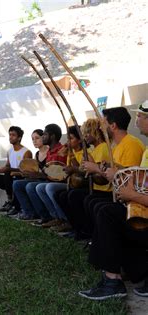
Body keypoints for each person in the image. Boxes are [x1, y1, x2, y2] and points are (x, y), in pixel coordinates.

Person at [79, 100, 148, 300]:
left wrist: (131, 195)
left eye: (141, 116)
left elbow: (133, 184)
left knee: (107, 212)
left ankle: (112, 280)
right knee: (103, 208)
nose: (138, 121)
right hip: (139, 208)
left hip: (142, 210)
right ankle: (118, 272)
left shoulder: (134, 145)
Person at [0, 126, 32, 212]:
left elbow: (27, 171)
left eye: (13, 135)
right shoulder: (9, 151)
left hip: (19, 178)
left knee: (8, 173)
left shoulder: (26, 152)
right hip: (9, 178)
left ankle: (10, 202)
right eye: (9, 134)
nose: (10, 137)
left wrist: (8, 170)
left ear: (19, 138)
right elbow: (7, 166)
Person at [12, 129, 48, 220]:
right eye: (32, 139)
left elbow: (47, 172)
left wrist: (36, 174)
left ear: (43, 137)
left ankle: (43, 214)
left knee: (29, 185)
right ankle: (28, 212)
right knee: (17, 184)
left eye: (37, 138)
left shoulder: (49, 152)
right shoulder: (37, 154)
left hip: (46, 179)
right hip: (38, 178)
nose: (34, 141)